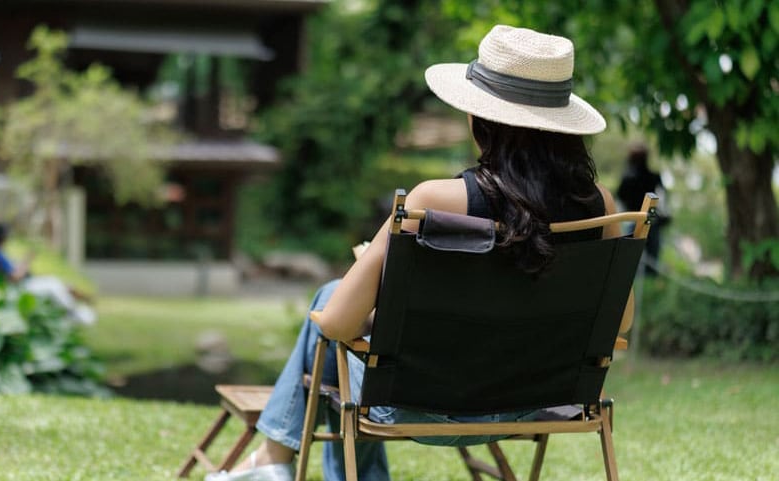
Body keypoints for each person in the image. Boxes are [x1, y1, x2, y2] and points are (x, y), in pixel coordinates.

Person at [204, 25, 634, 481]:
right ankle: (274, 463)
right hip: (533, 405)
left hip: (419, 406)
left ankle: (273, 461)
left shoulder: (433, 201)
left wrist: (379, 287)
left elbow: (335, 325)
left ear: (480, 118)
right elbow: (619, 323)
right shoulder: (599, 208)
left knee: (328, 300)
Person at [617, 143, 667, 274]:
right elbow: (662, 200)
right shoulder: (653, 177)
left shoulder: (627, 178)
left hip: (636, 220)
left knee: (631, 261)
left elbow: (620, 199)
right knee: (649, 258)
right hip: (647, 220)